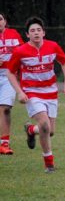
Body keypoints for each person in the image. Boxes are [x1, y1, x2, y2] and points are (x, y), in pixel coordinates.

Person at [6, 16, 65, 173]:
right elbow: (10, 72)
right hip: (32, 92)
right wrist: (20, 92)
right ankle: (49, 164)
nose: (36, 33)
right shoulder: (20, 51)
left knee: (50, 131)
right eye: (32, 31)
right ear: (27, 35)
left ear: (44, 33)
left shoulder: (53, 46)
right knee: (44, 125)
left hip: (51, 91)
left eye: (38, 30)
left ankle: (31, 130)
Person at [0, 13, 23, 155]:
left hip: (9, 76)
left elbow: (22, 52)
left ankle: (4, 144)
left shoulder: (14, 34)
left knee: (6, 108)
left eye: (0, 19)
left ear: (5, 21)